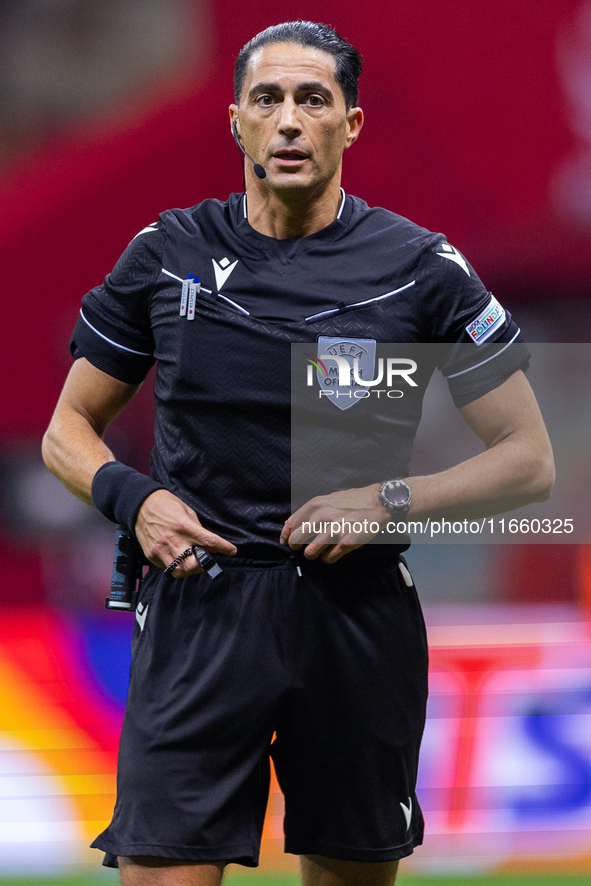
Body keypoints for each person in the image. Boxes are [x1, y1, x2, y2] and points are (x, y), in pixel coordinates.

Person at [42, 21, 554, 886]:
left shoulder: (419, 268)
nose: (287, 121)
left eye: (311, 100)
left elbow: (527, 460)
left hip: (353, 618)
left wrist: (386, 502)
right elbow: (67, 432)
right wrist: (136, 499)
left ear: (350, 124)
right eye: (266, 99)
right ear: (234, 120)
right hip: (198, 612)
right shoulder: (168, 257)